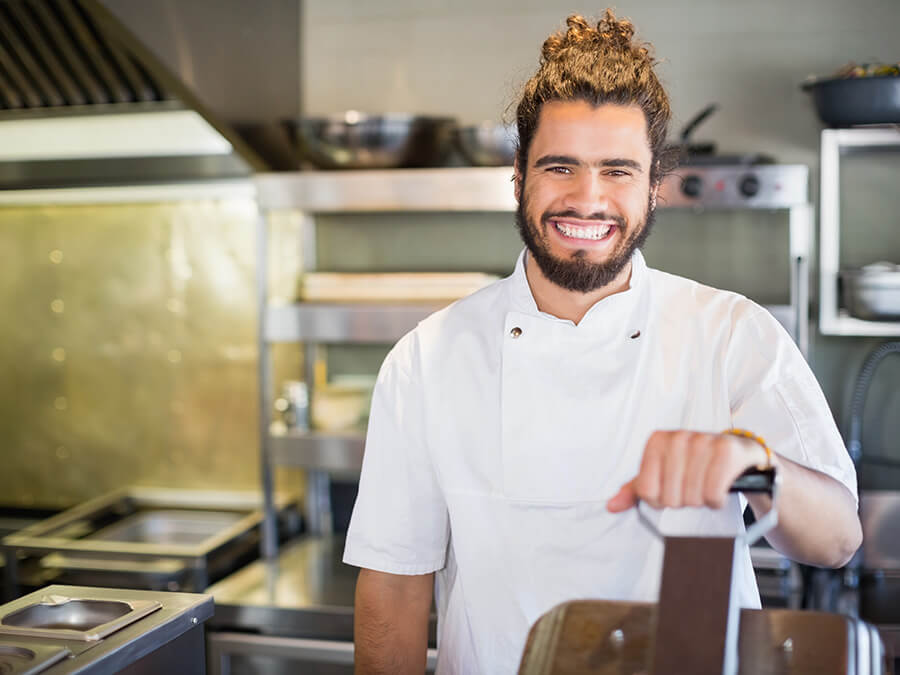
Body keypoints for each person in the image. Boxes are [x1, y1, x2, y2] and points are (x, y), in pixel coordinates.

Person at [343, 10, 861, 674]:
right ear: (518, 175)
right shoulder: (425, 360)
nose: (587, 199)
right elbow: (392, 586)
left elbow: (839, 538)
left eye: (617, 171)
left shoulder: (730, 334)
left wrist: (753, 462)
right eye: (560, 167)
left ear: (653, 187)